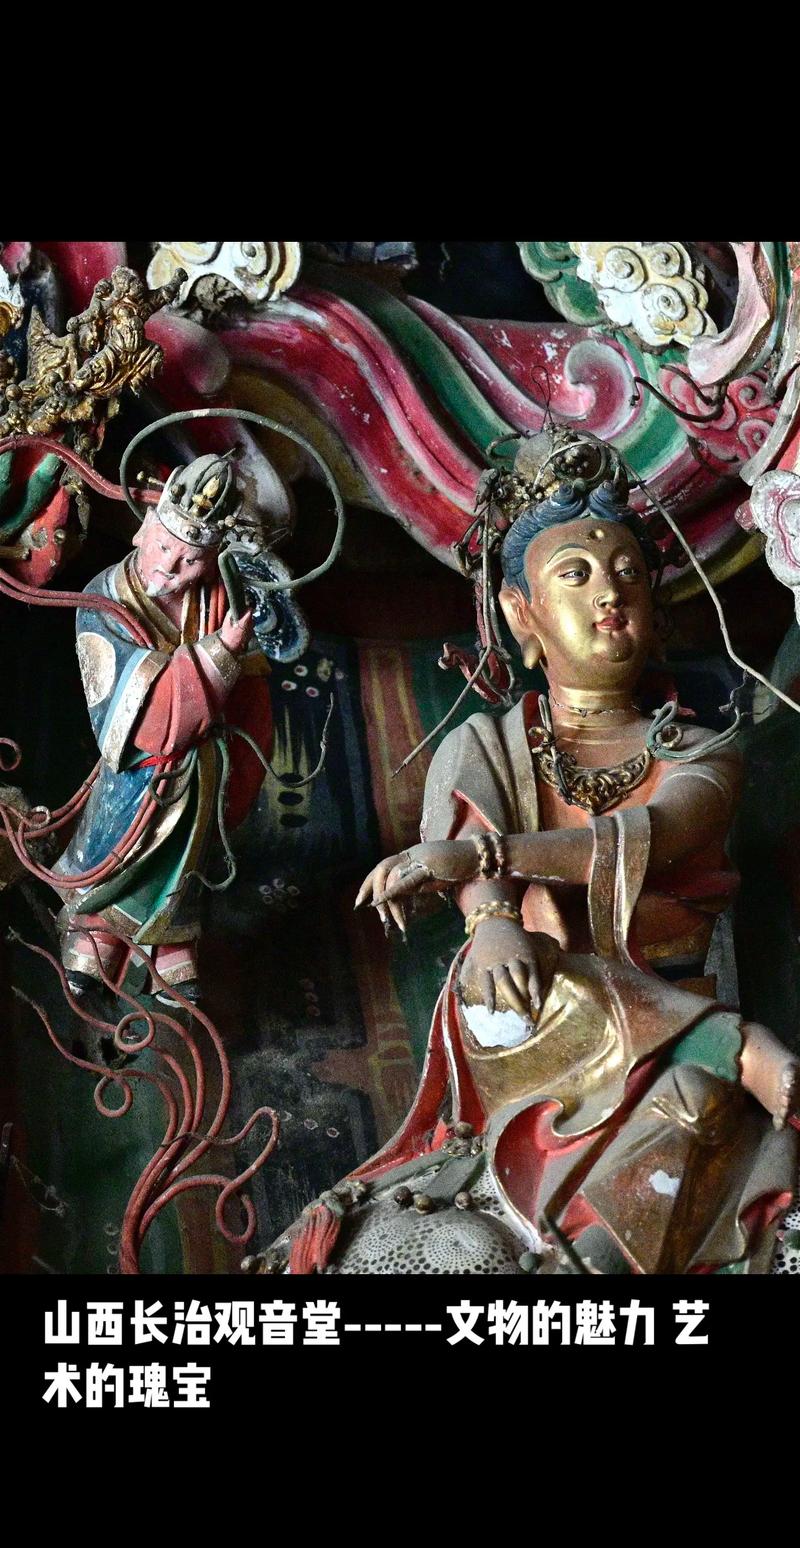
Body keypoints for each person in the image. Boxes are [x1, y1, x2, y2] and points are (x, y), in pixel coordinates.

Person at [259, 426, 799, 1276]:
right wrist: (495, 921)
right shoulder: (482, 744)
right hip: (540, 1023)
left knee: (695, 1105)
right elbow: (491, 914)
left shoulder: (699, 753)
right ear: (523, 615)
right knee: (526, 979)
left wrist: (480, 858)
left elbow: (654, 838)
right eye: (575, 575)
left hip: (661, 1016)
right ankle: (730, 1045)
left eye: (627, 573)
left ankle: (588, 1252)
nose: (608, 593)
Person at [54, 451, 271, 1001]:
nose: (172, 568)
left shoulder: (222, 599)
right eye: (165, 549)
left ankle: (168, 937)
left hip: (204, 770)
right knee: (121, 835)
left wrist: (237, 679)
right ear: (143, 531)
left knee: (190, 839)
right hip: (136, 762)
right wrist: (218, 655)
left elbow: (251, 696)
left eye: (191, 560)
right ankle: (96, 925)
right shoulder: (106, 597)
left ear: (214, 559)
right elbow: (137, 710)